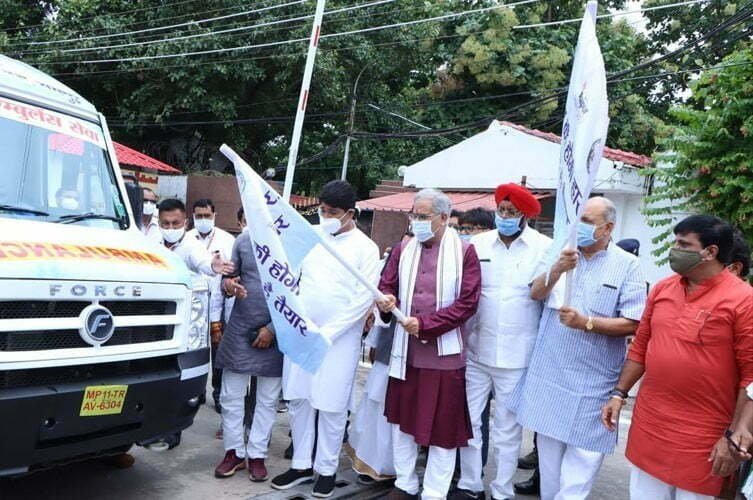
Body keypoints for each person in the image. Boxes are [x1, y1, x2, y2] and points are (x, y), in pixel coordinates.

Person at [602, 215, 753, 499]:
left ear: (710, 252)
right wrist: (619, 394)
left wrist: (735, 435)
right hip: (651, 425)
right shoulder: (663, 288)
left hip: (704, 437)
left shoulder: (743, 300)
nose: (675, 249)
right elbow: (641, 347)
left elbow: (751, 375)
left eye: (684, 244)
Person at [507, 196, 646, 500]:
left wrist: (588, 323)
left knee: (580, 468)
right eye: (577, 221)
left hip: (593, 384)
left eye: (587, 222)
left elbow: (634, 322)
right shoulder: (560, 252)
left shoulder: (628, 265)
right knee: (550, 469)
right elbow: (535, 293)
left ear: (608, 228)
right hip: (550, 377)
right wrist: (557, 269)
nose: (579, 228)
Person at [271, 180, 380, 498]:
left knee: (331, 405)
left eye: (332, 212)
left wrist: (328, 333)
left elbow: (363, 299)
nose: (325, 216)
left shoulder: (366, 248)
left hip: (339, 340)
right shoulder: (311, 238)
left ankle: (327, 469)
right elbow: (292, 278)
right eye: (321, 210)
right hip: (303, 333)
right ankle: (302, 464)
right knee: (300, 399)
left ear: (350, 213)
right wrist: (297, 321)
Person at [451, 184, 558, 500]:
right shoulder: (477, 244)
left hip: (518, 355)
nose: (505, 217)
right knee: (469, 423)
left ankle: (501, 490)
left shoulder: (543, 248)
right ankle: (470, 485)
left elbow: (544, 296)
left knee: (507, 431)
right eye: (502, 211)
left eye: (512, 213)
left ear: (525, 215)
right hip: (476, 349)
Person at [376, 188, 482, 500]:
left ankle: (434, 492)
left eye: (423, 217)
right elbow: (387, 284)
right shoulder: (403, 248)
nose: (417, 222)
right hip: (404, 351)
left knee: (442, 429)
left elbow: (468, 304)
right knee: (402, 422)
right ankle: (405, 483)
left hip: (444, 355)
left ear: (444, 218)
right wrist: (387, 300)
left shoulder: (464, 252)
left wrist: (426, 325)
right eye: (414, 215)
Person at [212, 214, 283, 482]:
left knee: (267, 400)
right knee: (231, 396)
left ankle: (257, 455)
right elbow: (228, 279)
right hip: (240, 327)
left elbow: (297, 293)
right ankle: (234, 452)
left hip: (276, 330)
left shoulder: (289, 243)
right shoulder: (243, 240)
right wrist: (230, 286)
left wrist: (272, 330)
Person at [348, 233, 413, 485]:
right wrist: (375, 339)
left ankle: (400, 468)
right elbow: (382, 297)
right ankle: (373, 464)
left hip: (421, 347)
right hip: (391, 343)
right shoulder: (398, 253)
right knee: (377, 402)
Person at [186, 198, 237, 415]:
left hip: (217, 305)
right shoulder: (187, 239)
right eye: (199, 216)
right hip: (193, 306)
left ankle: (217, 392)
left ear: (214, 216)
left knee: (218, 353)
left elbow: (233, 271)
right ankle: (195, 392)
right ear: (193, 217)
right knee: (193, 351)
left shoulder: (227, 239)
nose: (203, 220)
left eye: (207, 216)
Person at [157, 198, 233, 276]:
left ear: (185, 223)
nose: (171, 227)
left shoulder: (192, 245)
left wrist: (212, 267)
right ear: (159, 223)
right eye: (166, 223)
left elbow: (203, 261)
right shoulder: (153, 242)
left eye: (175, 223)